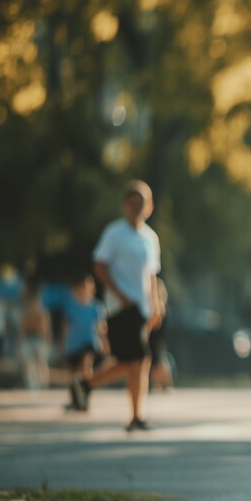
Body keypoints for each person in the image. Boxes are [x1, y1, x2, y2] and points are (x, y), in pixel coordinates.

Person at [70, 180, 163, 433]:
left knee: (132, 362)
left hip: (142, 308)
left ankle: (89, 386)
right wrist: (120, 295)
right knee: (139, 359)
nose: (136, 208)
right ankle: (134, 415)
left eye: (140, 203)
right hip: (122, 307)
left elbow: (152, 275)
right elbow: (100, 265)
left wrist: (156, 306)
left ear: (149, 207)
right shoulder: (115, 233)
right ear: (125, 205)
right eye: (132, 203)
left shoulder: (150, 238)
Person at [60, 273, 108, 408]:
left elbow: (101, 327)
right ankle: (75, 398)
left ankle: (86, 392)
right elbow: (66, 326)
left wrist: (105, 342)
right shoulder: (71, 306)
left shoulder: (96, 307)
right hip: (73, 345)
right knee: (73, 373)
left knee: (86, 364)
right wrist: (63, 343)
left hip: (89, 342)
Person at [18, 282, 52, 390]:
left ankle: (43, 383)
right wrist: (21, 340)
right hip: (29, 338)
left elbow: (47, 328)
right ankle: (31, 383)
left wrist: (47, 341)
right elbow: (22, 328)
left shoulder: (43, 312)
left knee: (41, 363)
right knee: (29, 363)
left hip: (39, 339)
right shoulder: (27, 311)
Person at [148, 277, 175, 391]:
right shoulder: (150, 306)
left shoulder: (163, 307)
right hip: (151, 338)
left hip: (158, 339)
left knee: (160, 362)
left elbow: (164, 328)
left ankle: (166, 384)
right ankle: (155, 384)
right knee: (152, 363)